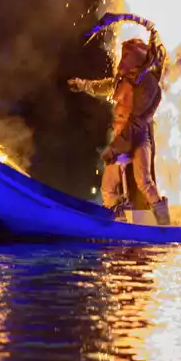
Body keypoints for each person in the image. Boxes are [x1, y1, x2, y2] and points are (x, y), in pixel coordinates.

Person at [68, 37, 171, 225]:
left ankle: (164, 225)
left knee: (144, 181)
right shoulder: (124, 79)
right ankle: (116, 220)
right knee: (108, 186)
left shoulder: (148, 83)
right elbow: (106, 86)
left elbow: (136, 122)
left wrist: (115, 149)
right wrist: (83, 84)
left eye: (127, 56)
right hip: (121, 135)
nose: (122, 61)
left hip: (137, 137)